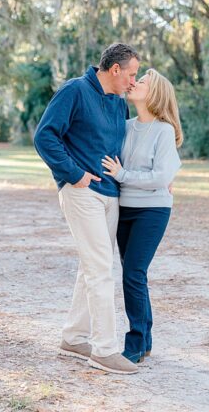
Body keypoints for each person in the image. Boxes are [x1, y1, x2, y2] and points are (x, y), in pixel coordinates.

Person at [33, 42, 139, 375]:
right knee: (100, 269)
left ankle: (73, 337)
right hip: (82, 193)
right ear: (116, 69)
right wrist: (74, 174)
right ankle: (104, 350)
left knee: (91, 267)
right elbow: (44, 136)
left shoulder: (118, 103)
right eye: (132, 74)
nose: (133, 82)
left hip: (111, 194)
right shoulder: (75, 91)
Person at [100, 69, 182, 364]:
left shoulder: (163, 130)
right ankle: (145, 339)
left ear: (155, 93)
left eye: (141, 81)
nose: (133, 82)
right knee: (135, 274)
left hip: (153, 210)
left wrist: (122, 175)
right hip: (125, 209)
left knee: (133, 272)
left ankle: (134, 342)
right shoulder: (125, 126)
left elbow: (161, 177)